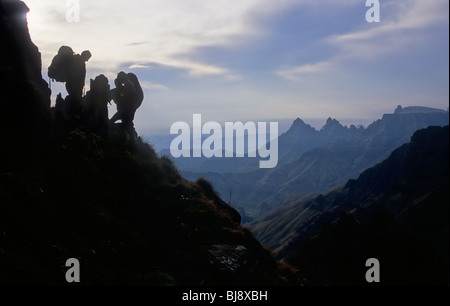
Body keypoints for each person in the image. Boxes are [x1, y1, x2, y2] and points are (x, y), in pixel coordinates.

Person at [110, 71, 143, 137]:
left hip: (128, 109)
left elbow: (125, 96)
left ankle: (130, 140)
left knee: (126, 124)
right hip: (129, 108)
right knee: (127, 124)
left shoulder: (128, 85)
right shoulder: (129, 84)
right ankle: (131, 140)